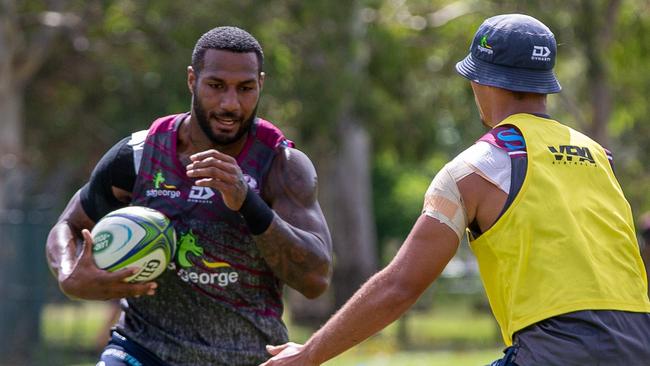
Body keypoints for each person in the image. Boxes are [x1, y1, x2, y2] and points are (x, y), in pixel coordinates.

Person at [261, 14, 650, 366]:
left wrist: (309, 354)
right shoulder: (601, 157)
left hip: (555, 349)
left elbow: (400, 285)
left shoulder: (476, 167)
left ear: (480, 80)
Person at [45, 26, 333, 366]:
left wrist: (248, 204)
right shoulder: (138, 156)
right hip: (141, 350)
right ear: (192, 80)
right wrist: (68, 272)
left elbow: (315, 279)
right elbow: (68, 225)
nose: (230, 103)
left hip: (247, 358)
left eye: (245, 88)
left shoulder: (280, 165)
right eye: (215, 86)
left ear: (261, 84)